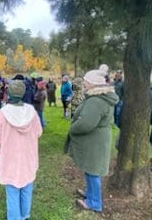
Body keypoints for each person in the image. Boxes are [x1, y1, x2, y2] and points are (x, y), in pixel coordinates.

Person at [64, 65, 118, 213]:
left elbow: (86, 124)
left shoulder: (96, 101)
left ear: (93, 83)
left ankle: (95, 203)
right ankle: (90, 194)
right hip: (97, 140)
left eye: (86, 81)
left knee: (93, 172)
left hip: (95, 142)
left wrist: (72, 128)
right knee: (91, 169)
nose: (84, 83)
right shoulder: (99, 97)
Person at [0, 80, 43, 220]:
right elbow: (39, 132)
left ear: (8, 93)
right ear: (23, 93)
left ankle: (15, 217)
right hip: (28, 157)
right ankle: (24, 215)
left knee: (12, 191)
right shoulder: (32, 111)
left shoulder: (1, 114)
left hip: (10, 159)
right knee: (27, 188)